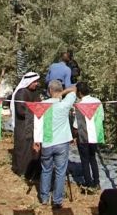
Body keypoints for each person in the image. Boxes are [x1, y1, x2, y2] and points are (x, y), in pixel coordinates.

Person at [38, 80, 77, 209]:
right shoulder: (65, 104)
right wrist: (62, 93)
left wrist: (36, 141)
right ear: (59, 91)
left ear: (49, 91)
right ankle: (57, 200)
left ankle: (44, 198)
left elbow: (37, 124)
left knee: (46, 170)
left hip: (47, 142)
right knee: (60, 172)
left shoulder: (42, 105)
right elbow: (74, 89)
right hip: (62, 142)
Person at [10, 72, 41, 180]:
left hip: (32, 124)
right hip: (22, 126)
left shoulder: (35, 92)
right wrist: (35, 111)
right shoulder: (21, 93)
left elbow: (39, 105)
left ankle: (31, 171)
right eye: (35, 82)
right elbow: (21, 111)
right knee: (22, 148)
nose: (37, 84)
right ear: (29, 82)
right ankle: (21, 170)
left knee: (33, 148)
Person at [73, 81, 101, 191]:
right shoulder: (97, 101)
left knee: (84, 160)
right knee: (93, 158)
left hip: (83, 136)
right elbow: (101, 117)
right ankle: (97, 182)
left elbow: (76, 125)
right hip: (94, 134)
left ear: (79, 93)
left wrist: (74, 136)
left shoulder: (80, 105)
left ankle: (88, 183)